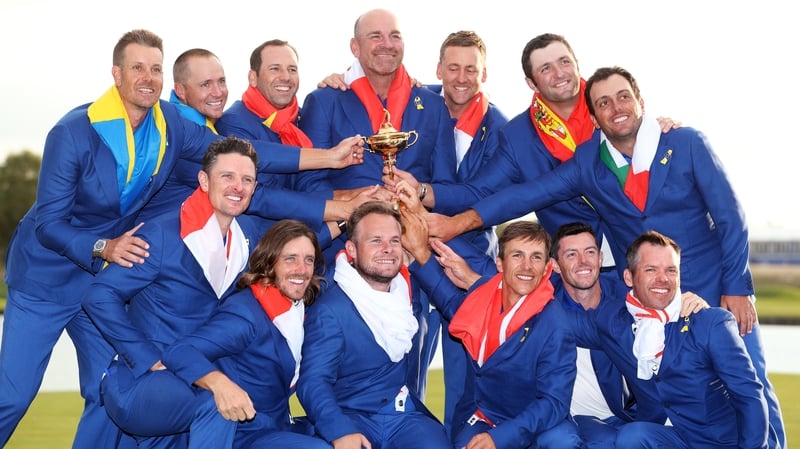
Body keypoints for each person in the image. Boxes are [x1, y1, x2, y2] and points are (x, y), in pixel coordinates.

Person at [0, 28, 367, 448]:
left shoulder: (169, 123)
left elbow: (240, 151)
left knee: (101, 395)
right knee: (13, 396)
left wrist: (329, 157)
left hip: (110, 274)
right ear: (116, 74)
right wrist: (104, 247)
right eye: (138, 68)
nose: (148, 78)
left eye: (155, 68)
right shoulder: (73, 132)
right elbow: (48, 223)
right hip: (48, 277)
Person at [433, 65, 786, 448]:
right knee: (667, 397)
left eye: (622, 97)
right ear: (594, 117)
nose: (616, 107)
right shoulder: (590, 162)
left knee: (752, 386)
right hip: (649, 298)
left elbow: (730, 217)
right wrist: (458, 224)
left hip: (716, 291)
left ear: (640, 101)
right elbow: (527, 195)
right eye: (603, 103)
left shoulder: (685, 142)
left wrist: (737, 286)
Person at [80, 136, 262, 449]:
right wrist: (147, 358)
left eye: (247, 179)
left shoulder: (248, 236)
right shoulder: (161, 234)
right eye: (227, 176)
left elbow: (293, 251)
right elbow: (99, 296)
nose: (238, 186)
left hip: (191, 379)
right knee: (220, 403)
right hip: (143, 381)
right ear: (204, 180)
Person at [572, 231, 772, 449]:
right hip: (664, 436)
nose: (663, 278)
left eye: (671, 270)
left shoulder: (710, 322)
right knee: (631, 437)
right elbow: (562, 325)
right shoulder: (613, 322)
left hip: (718, 441)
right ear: (629, 277)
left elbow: (749, 394)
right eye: (651, 269)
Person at [403, 214, 582, 449]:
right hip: (484, 417)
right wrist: (419, 255)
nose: (527, 266)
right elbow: (449, 301)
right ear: (500, 263)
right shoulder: (485, 297)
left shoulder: (555, 323)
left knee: (563, 442)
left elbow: (554, 402)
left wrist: (500, 438)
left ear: (547, 267)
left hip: (537, 424)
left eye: (536, 257)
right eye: (517, 255)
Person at [161, 219, 330, 449]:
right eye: (290, 259)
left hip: (282, 424)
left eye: (308, 260)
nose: (301, 269)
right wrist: (219, 383)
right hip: (245, 432)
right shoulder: (246, 314)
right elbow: (180, 351)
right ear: (270, 262)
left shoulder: (297, 306)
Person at [296, 201, 451, 449]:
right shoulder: (330, 310)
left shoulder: (408, 295)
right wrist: (340, 431)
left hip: (407, 418)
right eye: (376, 241)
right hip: (352, 416)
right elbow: (313, 382)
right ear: (352, 249)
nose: (387, 249)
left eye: (394, 241)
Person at [216, 39, 379, 243]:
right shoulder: (233, 122)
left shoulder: (300, 120)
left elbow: (305, 188)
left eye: (292, 69)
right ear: (253, 77)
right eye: (275, 69)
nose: (285, 77)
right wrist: (342, 207)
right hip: (261, 246)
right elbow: (258, 196)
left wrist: (355, 197)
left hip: (309, 240)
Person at [550, 223, 636, 448]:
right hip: (565, 419)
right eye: (571, 254)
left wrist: (689, 303)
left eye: (589, 252)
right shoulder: (544, 298)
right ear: (555, 265)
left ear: (600, 258)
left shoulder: (628, 298)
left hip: (624, 416)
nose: (583, 261)